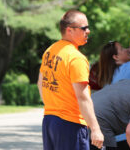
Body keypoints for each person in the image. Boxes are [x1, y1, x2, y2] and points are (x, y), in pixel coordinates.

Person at [37, 10, 104, 150]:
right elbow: (83, 97)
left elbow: (40, 83)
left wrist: (54, 106)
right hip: (70, 124)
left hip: (49, 120)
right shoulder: (76, 58)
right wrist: (95, 129)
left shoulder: (50, 51)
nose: (88, 31)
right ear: (69, 30)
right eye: (84, 28)